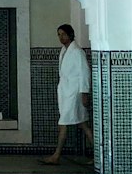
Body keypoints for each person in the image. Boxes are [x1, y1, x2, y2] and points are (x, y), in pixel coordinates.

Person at [40, 23, 94, 165]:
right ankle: (100, 156)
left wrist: (84, 93)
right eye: (58, 34)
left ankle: (56, 155)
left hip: (74, 92)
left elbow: (84, 72)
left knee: (64, 122)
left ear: (70, 34)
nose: (60, 37)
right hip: (66, 91)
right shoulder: (64, 50)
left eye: (63, 34)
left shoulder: (77, 52)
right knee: (83, 123)